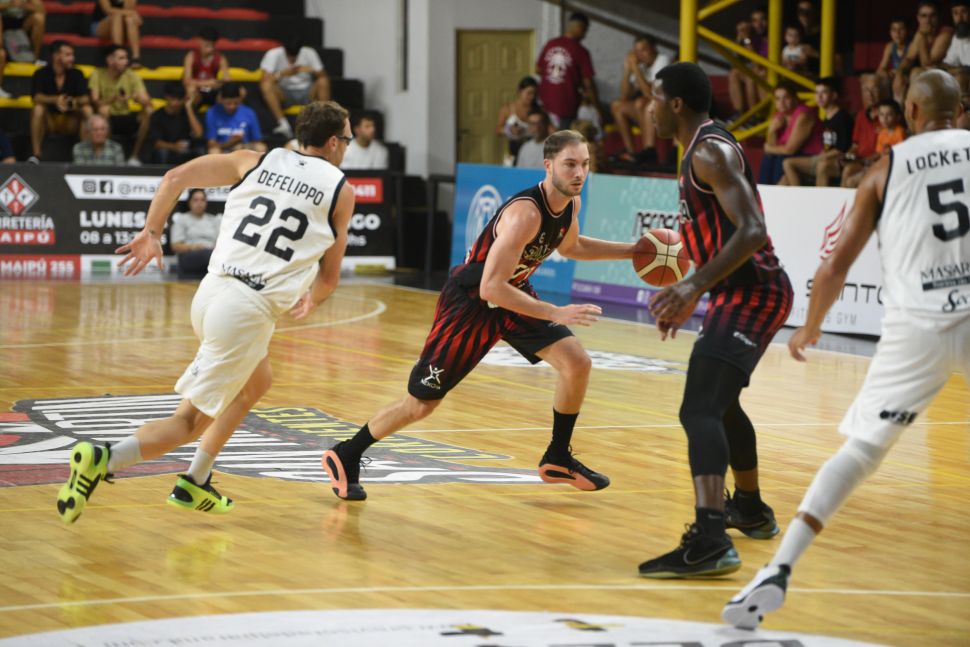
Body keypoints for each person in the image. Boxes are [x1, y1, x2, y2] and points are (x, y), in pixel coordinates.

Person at [723, 69, 970, 629]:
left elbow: (835, 266)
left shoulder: (886, 169)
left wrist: (810, 327)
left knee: (861, 453)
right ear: (960, 110)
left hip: (918, 329)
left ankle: (779, 570)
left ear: (910, 111)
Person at [55, 101, 357, 524]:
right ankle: (103, 458)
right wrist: (315, 298)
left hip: (211, 293)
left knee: (256, 383)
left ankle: (195, 481)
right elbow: (329, 277)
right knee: (189, 422)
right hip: (245, 311)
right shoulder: (341, 190)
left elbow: (174, 178)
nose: (348, 146)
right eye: (348, 139)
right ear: (333, 142)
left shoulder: (254, 159)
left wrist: (152, 232)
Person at [320, 129, 637, 502]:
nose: (579, 173)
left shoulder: (570, 204)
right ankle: (347, 453)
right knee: (421, 404)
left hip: (513, 293)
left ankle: (557, 456)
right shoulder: (525, 214)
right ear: (548, 165)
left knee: (576, 363)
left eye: (585, 164)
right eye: (570, 164)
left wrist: (634, 251)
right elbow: (490, 288)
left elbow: (573, 246)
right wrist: (555, 310)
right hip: (471, 303)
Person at [637, 62, 793, 578]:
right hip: (737, 293)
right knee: (721, 405)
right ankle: (748, 508)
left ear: (676, 104)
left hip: (755, 292)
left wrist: (689, 286)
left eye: (654, 98)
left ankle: (710, 539)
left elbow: (752, 230)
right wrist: (691, 291)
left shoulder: (709, 151)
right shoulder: (698, 150)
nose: (649, 108)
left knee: (699, 407)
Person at [781, 77, 854, 187]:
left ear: (834, 95)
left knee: (795, 164)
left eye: (824, 93)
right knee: (786, 171)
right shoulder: (826, 118)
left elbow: (842, 149)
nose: (819, 97)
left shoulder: (843, 118)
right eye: (817, 93)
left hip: (838, 161)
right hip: (824, 157)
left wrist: (821, 157)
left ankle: (809, 195)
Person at [610, 34, 670, 165]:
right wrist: (628, 70)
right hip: (645, 112)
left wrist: (636, 68)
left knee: (642, 103)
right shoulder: (640, 64)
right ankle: (631, 152)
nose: (639, 55)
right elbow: (624, 96)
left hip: (665, 113)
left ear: (654, 49)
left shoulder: (662, 60)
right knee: (617, 106)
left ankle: (649, 151)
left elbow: (650, 94)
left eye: (643, 50)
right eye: (637, 51)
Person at [89, 44, 153, 165]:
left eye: (126, 58)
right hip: (108, 117)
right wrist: (113, 98)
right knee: (103, 110)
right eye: (121, 58)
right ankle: (106, 154)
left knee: (149, 111)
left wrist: (138, 98)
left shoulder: (131, 75)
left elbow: (148, 101)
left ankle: (134, 156)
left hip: (126, 116)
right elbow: (95, 102)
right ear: (110, 60)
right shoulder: (98, 74)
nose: (126, 61)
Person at [29, 40, 91, 163]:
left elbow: (86, 98)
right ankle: (36, 155)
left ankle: (86, 155)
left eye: (72, 55)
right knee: (38, 109)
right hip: (49, 122)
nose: (72, 58)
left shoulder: (77, 73)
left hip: (70, 120)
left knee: (87, 109)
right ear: (56, 56)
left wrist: (73, 101)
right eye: (68, 55)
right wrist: (56, 100)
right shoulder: (41, 73)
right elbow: (36, 97)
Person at [536, 11, 600, 128]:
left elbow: (538, 69)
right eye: (585, 30)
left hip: (544, 102)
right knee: (563, 137)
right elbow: (588, 84)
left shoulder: (551, 43)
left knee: (546, 136)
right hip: (566, 105)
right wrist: (597, 107)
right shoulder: (581, 51)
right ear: (579, 28)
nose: (585, 35)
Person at [259, 36, 330, 139]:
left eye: (295, 55)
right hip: (284, 93)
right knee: (266, 85)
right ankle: (283, 124)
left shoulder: (310, 52)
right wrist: (281, 74)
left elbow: (323, 75)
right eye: (289, 55)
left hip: (307, 91)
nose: (292, 59)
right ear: (284, 49)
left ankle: (324, 122)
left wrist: (312, 70)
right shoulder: (273, 54)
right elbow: (264, 80)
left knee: (323, 81)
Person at [758, 83, 822, 184]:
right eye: (778, 99)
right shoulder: (779, 115)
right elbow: (772, 147)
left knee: (781, 159)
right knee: (769, 158)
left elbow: (790, 150)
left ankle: (775, 191)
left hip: (810, 155)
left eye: (786, 98)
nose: (781, 102)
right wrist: (771, 131)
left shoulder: (804, 114)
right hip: (790, 154)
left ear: (795, 99)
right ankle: (762, 191)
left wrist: (768, 148)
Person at [840, 75, 885, 188]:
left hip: (877, 163)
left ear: (883, 91)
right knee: (847, 169)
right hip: (861, 161)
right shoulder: (861, 115)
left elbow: (886, 150)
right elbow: (855, 145)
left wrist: (867, 160)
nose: (870, 95)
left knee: (851, 181)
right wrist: (849, 154)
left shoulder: (887, 116)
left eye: (874, 90)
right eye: (866, 90)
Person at [149, 81, 204, 165]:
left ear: (184, 99)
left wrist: (188, 107)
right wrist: (173, 146)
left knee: (200, 151)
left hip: (186, 151)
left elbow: (199, 134)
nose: (175, 103)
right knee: (162, 152)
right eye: (173, 99)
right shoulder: (157, 116)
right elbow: (156, 143)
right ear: (166, 97)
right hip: (169, 150)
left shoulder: (188, 113)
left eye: (179, 99)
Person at [170, 188, 220, 279]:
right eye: (195, 200)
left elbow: (220, 243)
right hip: (190, 255)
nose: (199, 203)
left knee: (216, 256)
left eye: (202, 200)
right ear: (189, 202)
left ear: (206, 202)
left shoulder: (214, 220)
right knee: (208, 255)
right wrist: (194, 247)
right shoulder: (182, 220)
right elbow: (176, 246)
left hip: (212, 253)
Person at [205, 82, 266, 154]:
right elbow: (211, 144)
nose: (232, 106)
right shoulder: (212, 112)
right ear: (221, 100)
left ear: (240, 99)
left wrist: (245, 146)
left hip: (244, 149)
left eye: (236, 103)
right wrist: (230, 143)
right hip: (223, 150)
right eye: (228, 103)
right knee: (213, 151)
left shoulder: (249, 112)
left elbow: (257, 140)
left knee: (261, 147)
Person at [182, 26, 230, 107]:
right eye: (206, 45)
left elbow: (227, 79)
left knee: (236, 92)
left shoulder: (220, 58)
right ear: (199, 41)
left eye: (212, 46)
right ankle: (189, 112)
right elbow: (187, 81)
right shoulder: (191, 56)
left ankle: (222, 113)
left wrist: (219, 83)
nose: (209, 50)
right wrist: (206, 83)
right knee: (191, 89)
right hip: (197, 91)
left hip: (213, 92)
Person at [495, 76, 539, 163]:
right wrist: (509, 130)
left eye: (534, 94)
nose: (532, 97)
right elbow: (497, 130)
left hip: (532, 154)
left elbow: (550, 130)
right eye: (529, 93)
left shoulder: (538, 110)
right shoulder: (507, 109)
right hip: (512, 154)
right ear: (520, 91)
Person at [91, 0, 142, 68]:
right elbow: (108, 10)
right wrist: (130, 13)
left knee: (130, 19)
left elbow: (129, 9)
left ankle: (136, 58)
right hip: (101, 24)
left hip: (122, 25)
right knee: (117, 16)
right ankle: (118, 55)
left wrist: (130, 12)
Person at [876, 17, 911, 104]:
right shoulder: (890, 46)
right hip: (895, 76)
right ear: (890, 32)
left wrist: (897, 72)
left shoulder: (911, 45)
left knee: (900, 79)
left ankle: (898, 108)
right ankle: (882, 107)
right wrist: (886, 74)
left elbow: (909, 67)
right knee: (876, 79)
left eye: (901, 29)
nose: (897, 33)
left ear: (907, 31)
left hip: (907, 76)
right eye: (894, 30)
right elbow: (881, 68)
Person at [943, 1, 970, 67]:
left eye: (964, 12)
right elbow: (949, 62)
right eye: (955, 13)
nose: (959, 18)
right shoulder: (956, 38)